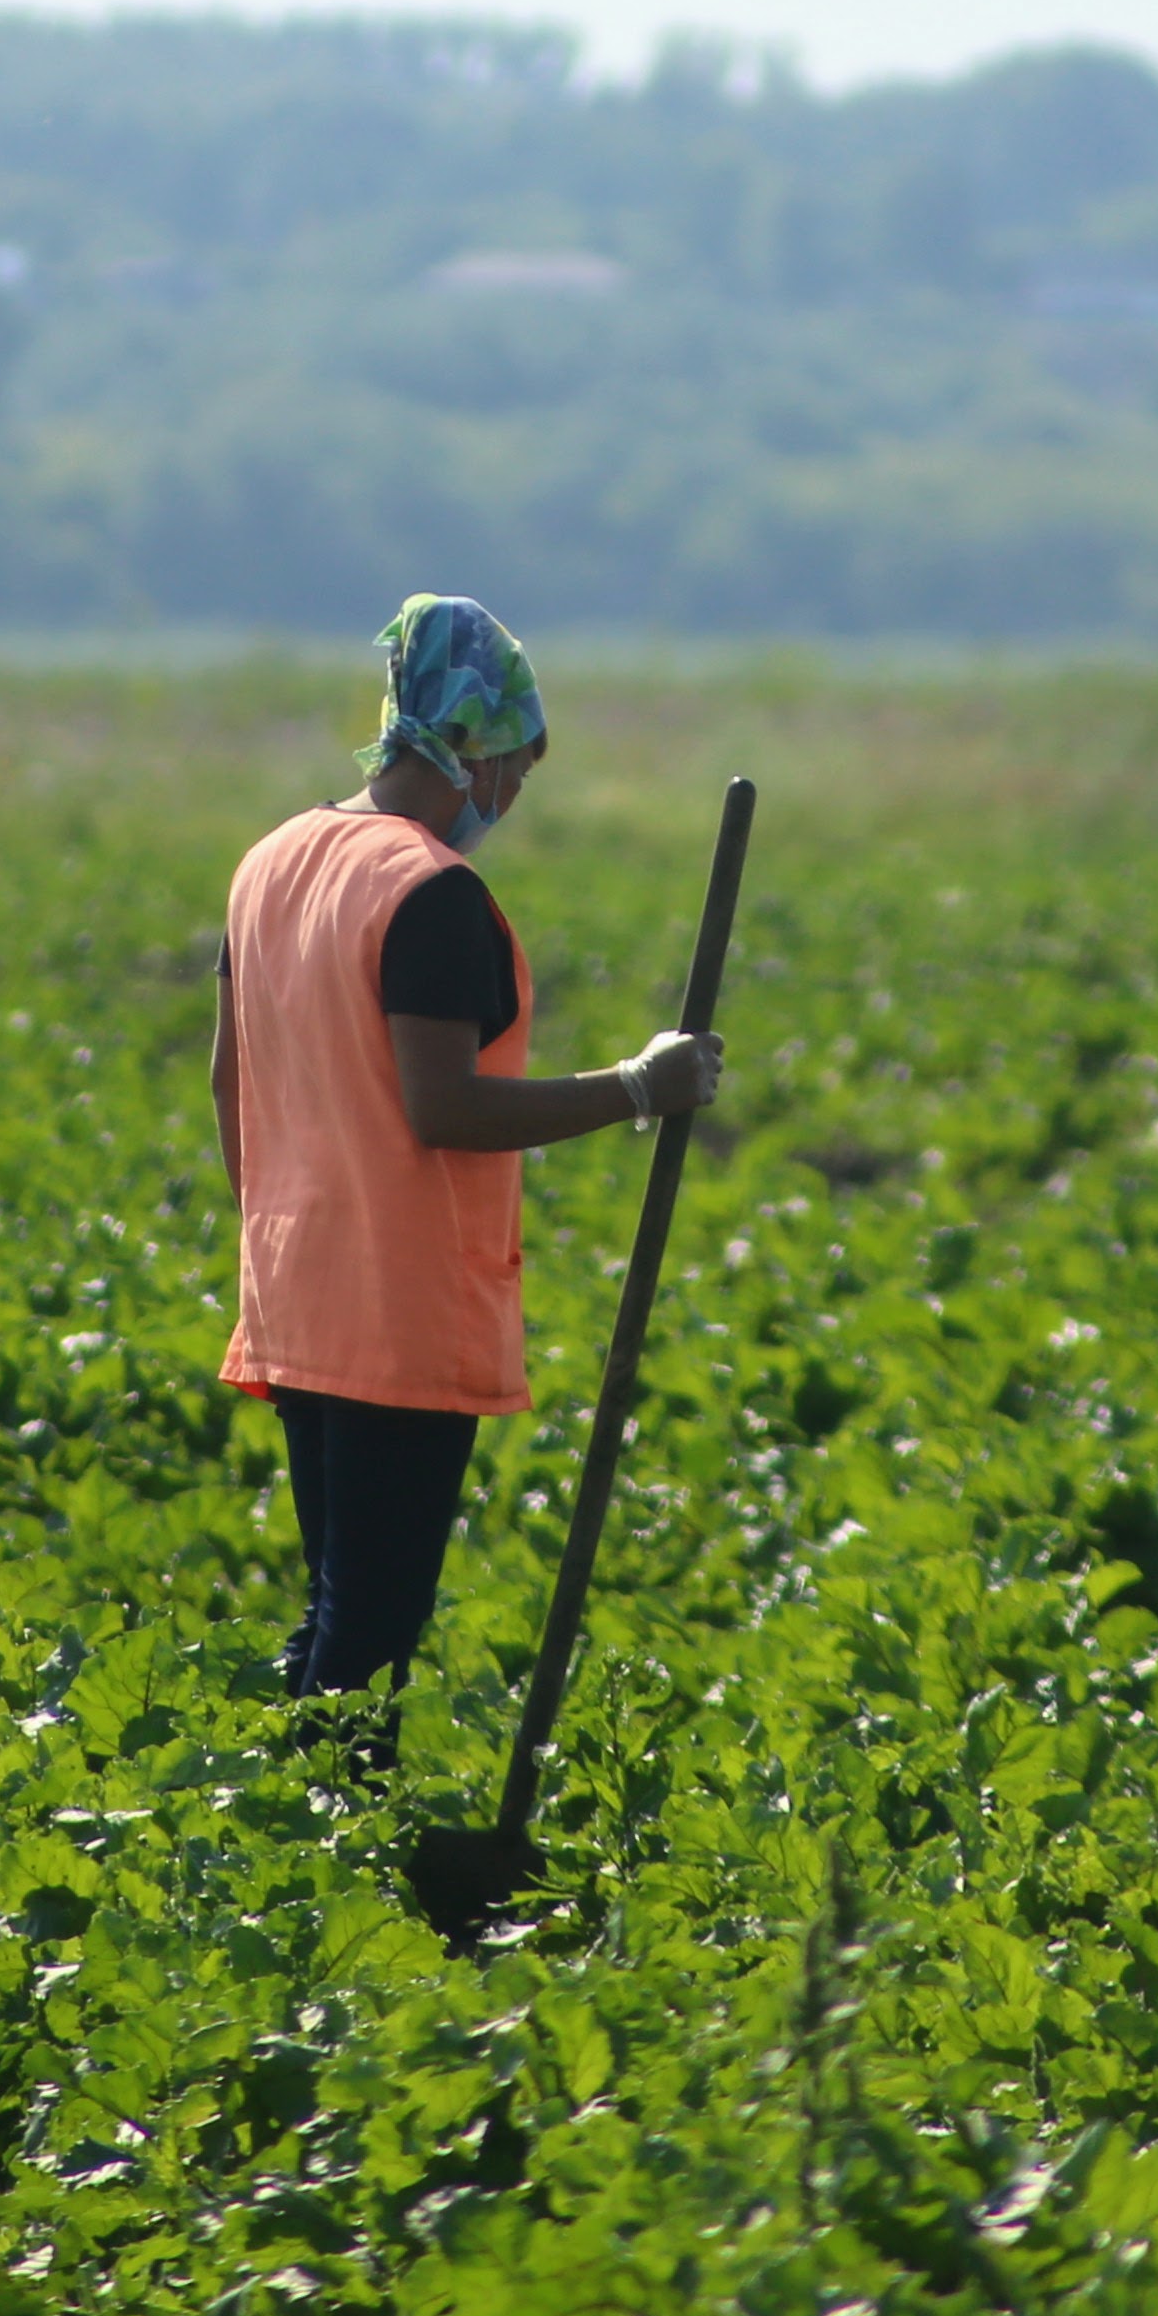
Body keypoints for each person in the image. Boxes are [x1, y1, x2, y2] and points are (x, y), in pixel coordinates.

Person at [211, 595, 723, 1718]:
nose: (511, 798)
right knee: (370, 1632)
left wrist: (282, 1233)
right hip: (395, 1310)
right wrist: (638, 1088)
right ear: (475, 748)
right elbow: (442, 1108)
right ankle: (330, 1818)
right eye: (517, 771)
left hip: (295, 1295)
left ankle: (282, 1808)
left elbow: (226, 1083)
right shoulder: (431, 892)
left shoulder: (273, 860)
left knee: (338, 1604)